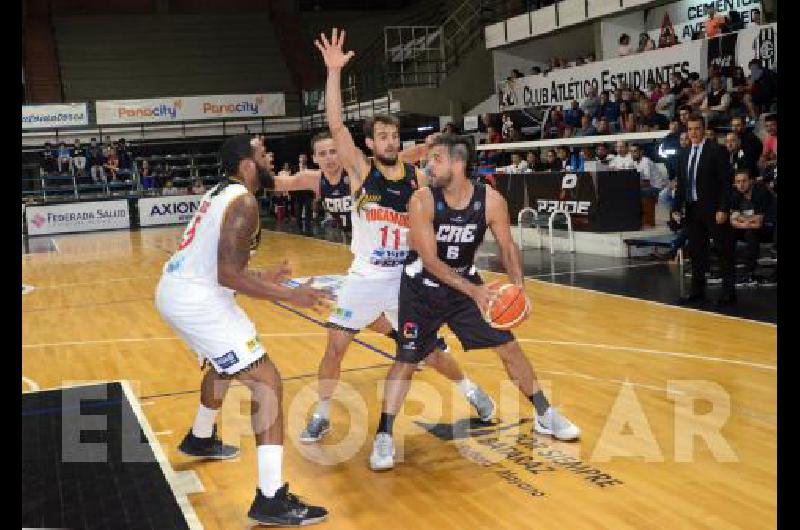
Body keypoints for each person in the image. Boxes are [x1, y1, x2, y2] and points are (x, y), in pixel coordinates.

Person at [299, 28, 497, 443]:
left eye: (394, 136)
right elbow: (335, 124)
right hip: (367, 276)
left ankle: (473, 392)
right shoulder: (360, 171)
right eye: (383, 136)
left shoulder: (417, 177)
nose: (390, 141)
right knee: (335, 346)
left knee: (429, 350)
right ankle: (320, 413)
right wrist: (334, 72)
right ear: (370, 143)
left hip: (407, 279)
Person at [367, 134, 580, 471]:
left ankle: (545, 413)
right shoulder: (422, 200)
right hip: (421, 289)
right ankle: (384, 435)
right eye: (428, 159)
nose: (427, 165)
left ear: (457, 163)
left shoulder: (491, 201)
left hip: (465, 288)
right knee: (406, 360)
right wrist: (476, 292)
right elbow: (432, 261)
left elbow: (508, 246)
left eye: (436, 159)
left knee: (509, 348)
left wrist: (518, 286)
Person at [156, 135, 331, 526]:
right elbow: (226, 273)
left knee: (227, 365)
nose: (269, 158)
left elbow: (219, 265)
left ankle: (201, 437)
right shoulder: (244, 202)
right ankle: (271, 498)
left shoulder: (221, 194)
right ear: (247, 164)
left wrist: (262, 277)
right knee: (265, 380)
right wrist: (291, 296)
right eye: (262, 154)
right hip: (197, 300)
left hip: (179, 290)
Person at [672, 114, 736, 306]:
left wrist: (723, 208)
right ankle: (697, 292)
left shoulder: (717, 150)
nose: (693, 133)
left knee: (723, 250)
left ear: (704, 129)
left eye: (697, 128)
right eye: (690, 129)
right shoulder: (684, 153)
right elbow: (682, 185)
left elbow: (726, 183)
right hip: (693, 209)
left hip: (714, 209)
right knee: (697, 251)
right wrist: (676, 207)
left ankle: (729, 293)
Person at [729, 169, 775, 284]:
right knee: (726, 232)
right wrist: (746, 222)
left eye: (744, 181)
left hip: (769, 229)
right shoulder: (736, 194)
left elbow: (759, 223)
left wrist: (741, 219)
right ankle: (726, 270)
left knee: (751, 233)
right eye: (738, 182)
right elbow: (732, 220)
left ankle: (749, 272)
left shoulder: (760, 191)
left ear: (751, 181)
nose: (741, 185)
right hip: (748, 227)